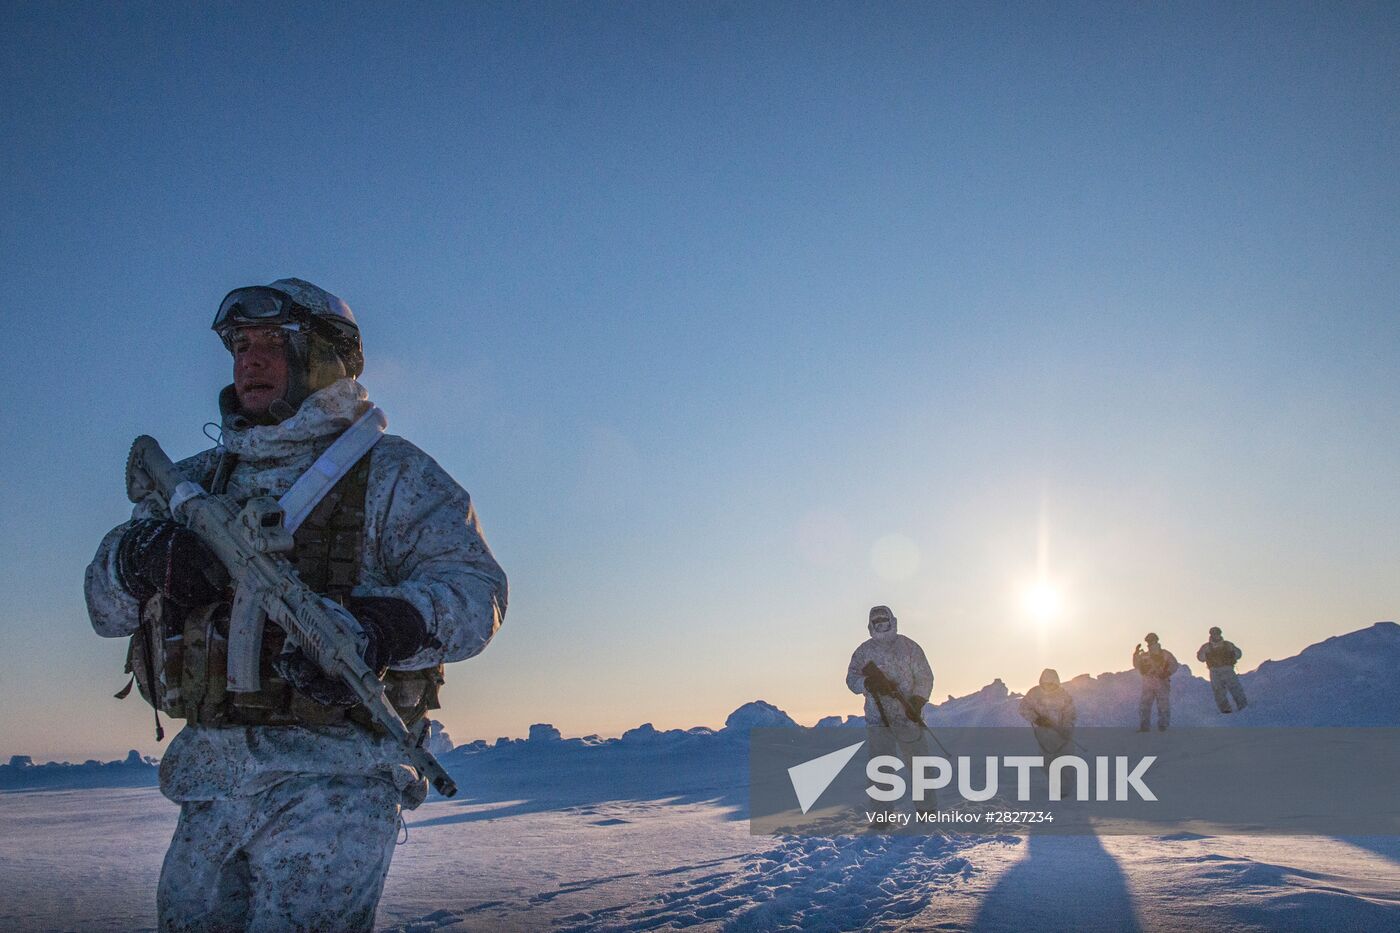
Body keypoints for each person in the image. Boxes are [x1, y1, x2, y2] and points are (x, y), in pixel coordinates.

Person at [84, 278, 509, 931]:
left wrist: (376, 629)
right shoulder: (192, 482)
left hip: (335, 778)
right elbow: (103, 607)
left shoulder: (392, 473)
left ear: (321, 355)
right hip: (209, 779)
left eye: (270, 344)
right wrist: (140, 559)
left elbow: (478, 592)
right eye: (239, 345)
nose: (248, 360)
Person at [846, 606, 934, 807]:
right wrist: (868, 684)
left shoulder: (909, 647)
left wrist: (917, 700)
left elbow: (925, 676)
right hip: (878, 719)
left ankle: (927, 811)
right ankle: (881, 816)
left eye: (884, 621)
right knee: (881, 769)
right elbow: (851, 679)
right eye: (877, 622)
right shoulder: (863, 652)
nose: (881, 626)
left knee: (920, 767)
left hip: (909, 716)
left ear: (892, 621)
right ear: (871, 625)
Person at [1019, 668, 1076, 758]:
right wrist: (1037, 719)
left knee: (1065, 763)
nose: (1049, 686)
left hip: (1060, 736)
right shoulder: (1034, 693)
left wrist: (1066, 729)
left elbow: (1070, 713)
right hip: (1042, 737)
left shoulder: (1063, 694)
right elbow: (1023, 708)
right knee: (1046, 764)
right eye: (1046, 683)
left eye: (1051, 683)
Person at [1133, 632, 1179, 732]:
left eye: (1151, 640)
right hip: (1148, 682)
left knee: (1163, 705)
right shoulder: (1144, 655)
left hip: (1161, 682)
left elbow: (1174, 665)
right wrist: (1136, 654)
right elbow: (1136, 665)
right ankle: (1144, 727)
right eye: (1148, 641)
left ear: (1156, 640)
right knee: (1145, 706)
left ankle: (1163, 727)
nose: (1149, 643)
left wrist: (1166, 673)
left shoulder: (1164, 654)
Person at [1197, 626, 1247, 713]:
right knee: (1219, 691)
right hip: (1215, 671)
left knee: (1235, 689)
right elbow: (1200, 658)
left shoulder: (1227, 645)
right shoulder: (1208, 647)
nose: (1216, 635)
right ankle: (1226, 710)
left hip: (1226, 669)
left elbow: (1238, 654)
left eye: (1217, 633)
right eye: (1214, 633)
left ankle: (1243, 707)